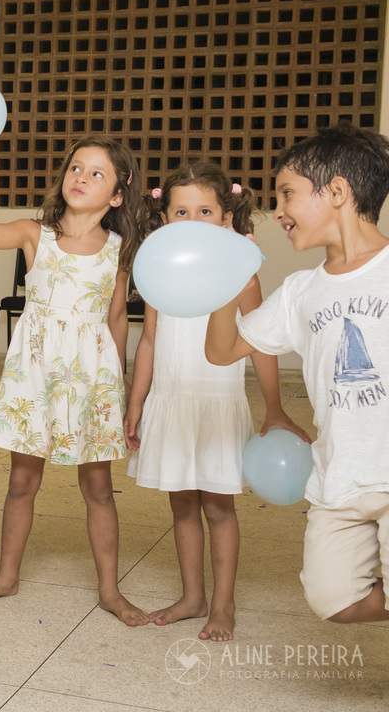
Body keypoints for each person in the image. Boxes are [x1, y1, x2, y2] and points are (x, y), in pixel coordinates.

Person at [0, 134, 150, 625]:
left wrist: (120, 386)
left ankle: (110, 590)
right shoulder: (34, 234)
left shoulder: (119, 250)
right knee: (22, 479)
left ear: (118, 195)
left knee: (98, 486)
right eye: (75, 167)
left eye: (97, 173)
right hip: (36, 373)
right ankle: (7, 575)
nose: (80, 177)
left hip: (92, 377)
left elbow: (117, 317)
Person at [205, 123, 389, 625]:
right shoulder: (301, 290)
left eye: (288, 193)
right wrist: (226, 278)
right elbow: (222, 351)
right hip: (340, 477)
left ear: (337, 191)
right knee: (333, 600)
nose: (279, 211)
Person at [124, 161, 309, 641]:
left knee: (218, 507)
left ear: (226, 217)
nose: (192, 220)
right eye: (181, 211)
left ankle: (223, 603)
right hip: (173, 398)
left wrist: (274, 407)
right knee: (182, 504)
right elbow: (150, 341)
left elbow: (262, 345)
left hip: (216, 403)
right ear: (164, 217)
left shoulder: (241, 276)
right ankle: (193, 597)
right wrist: (137, 401)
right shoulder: (159, 273)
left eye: (204, 211)